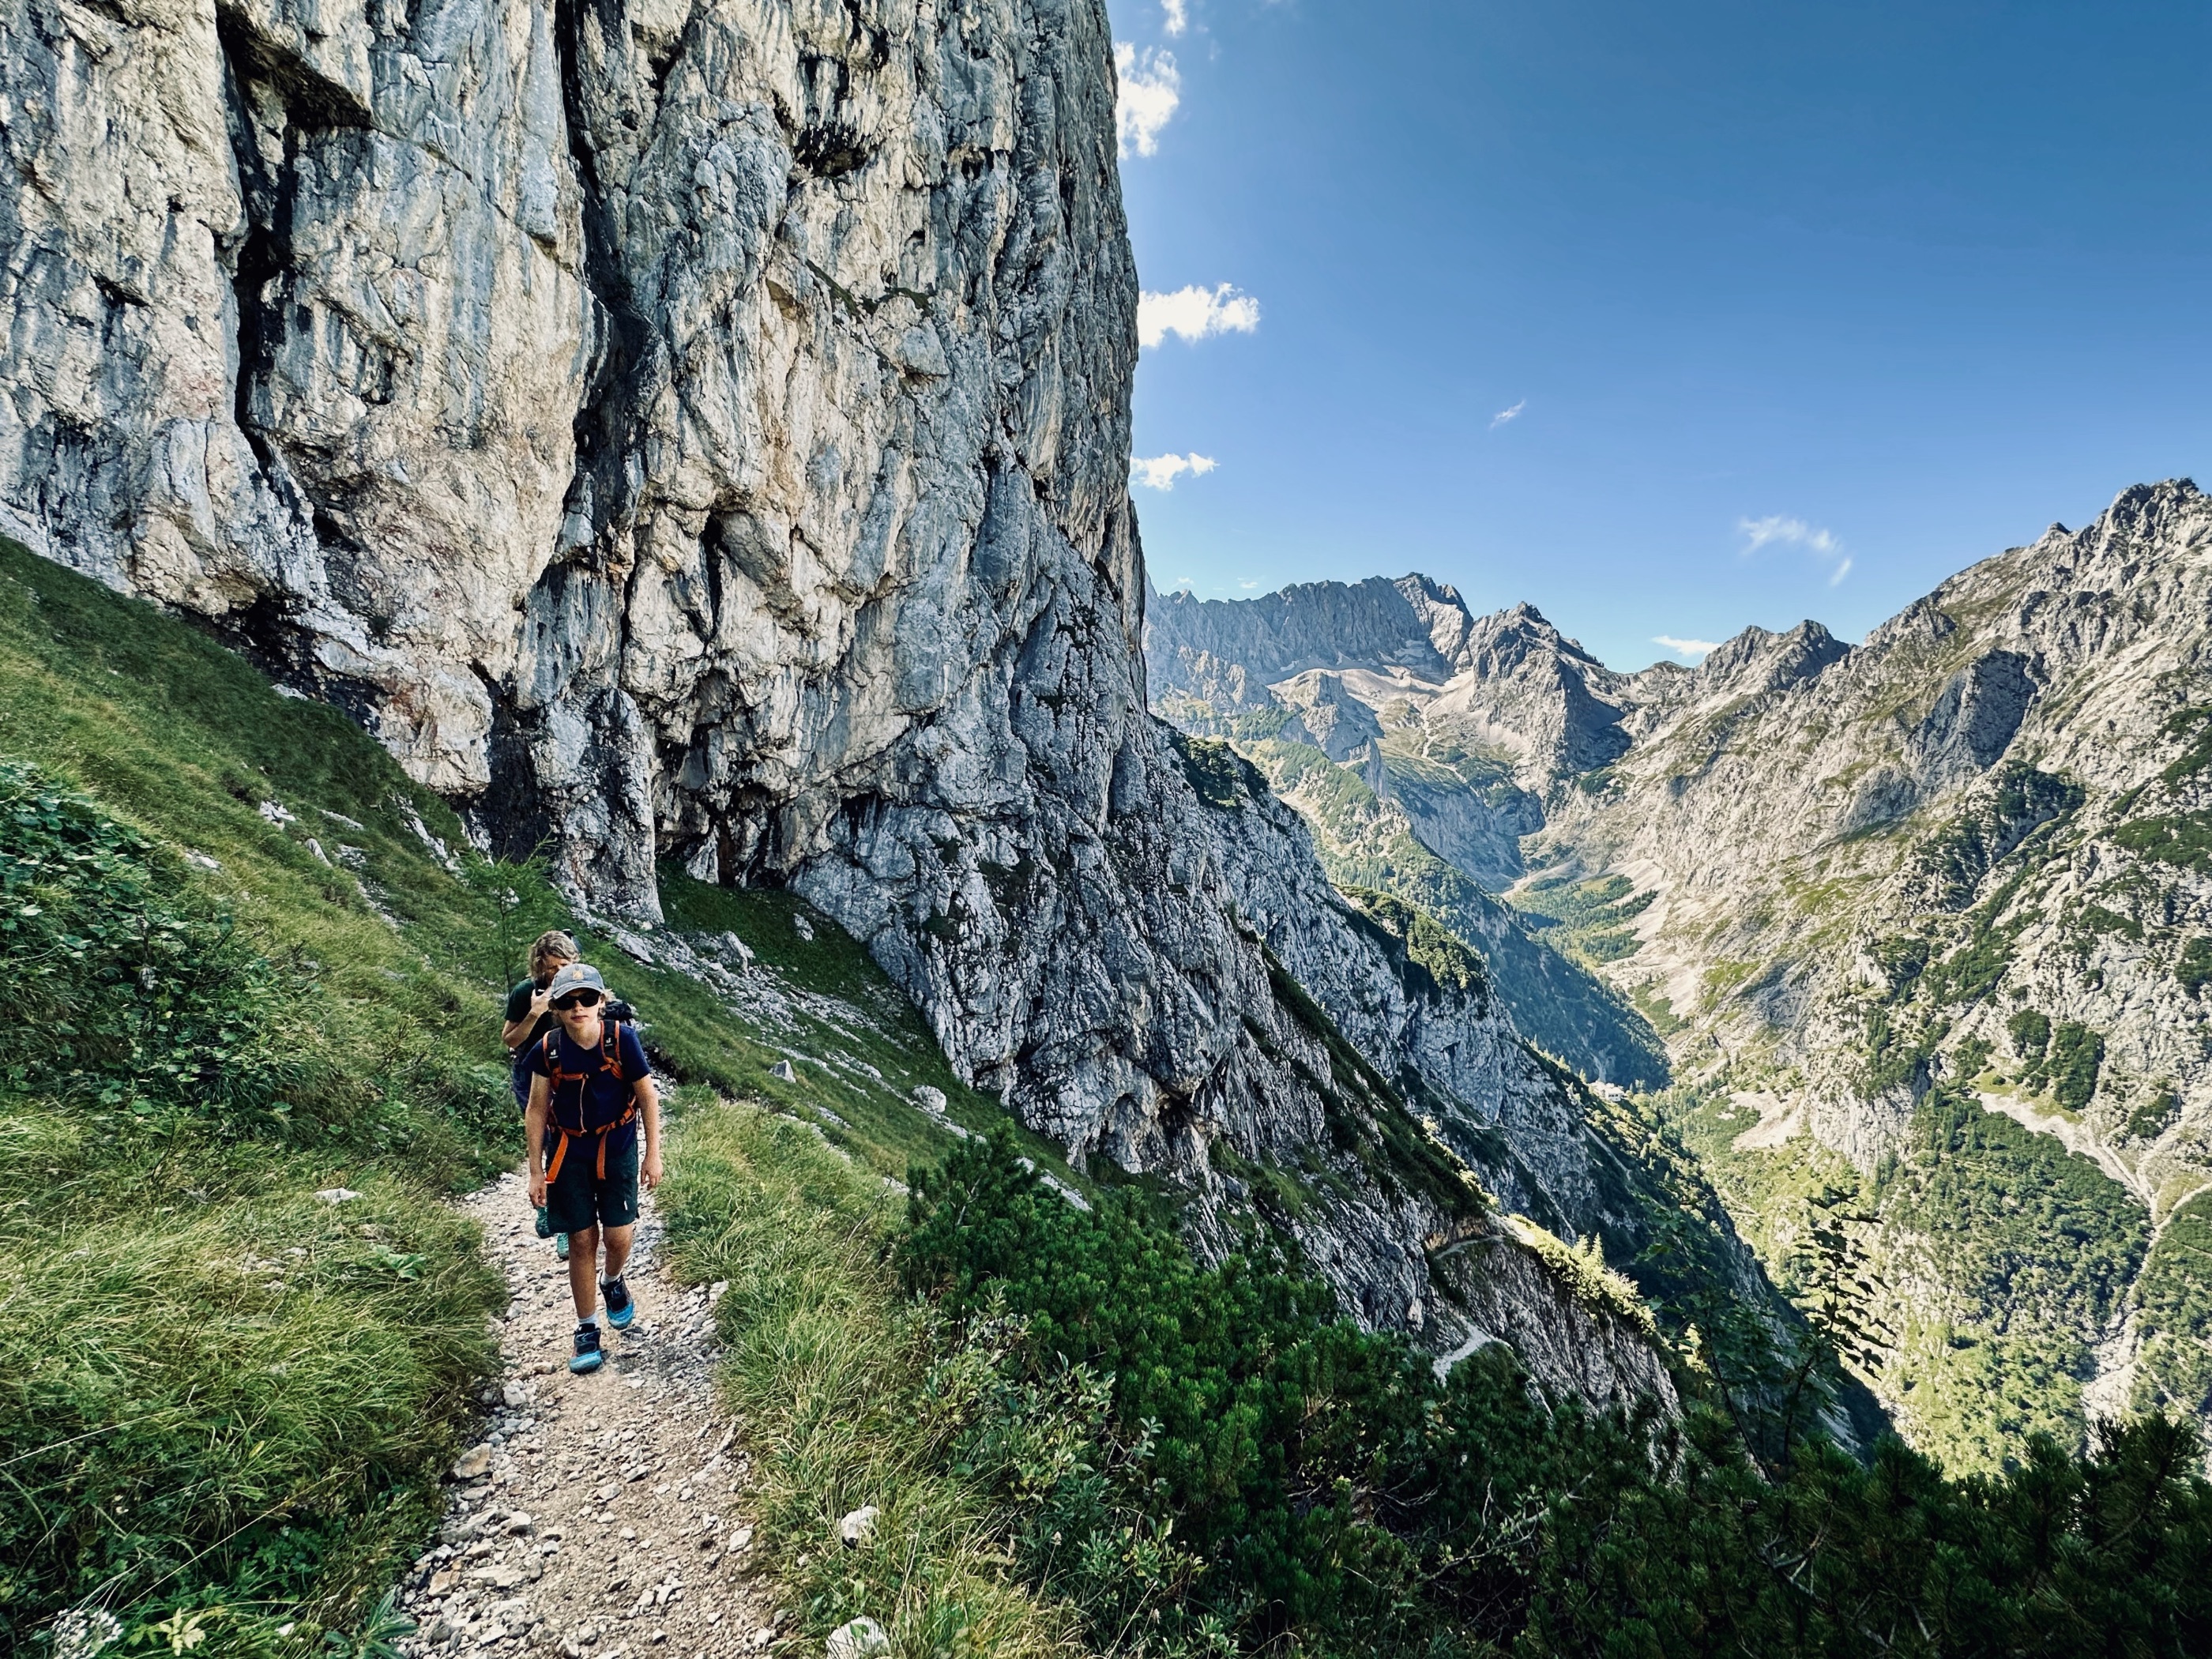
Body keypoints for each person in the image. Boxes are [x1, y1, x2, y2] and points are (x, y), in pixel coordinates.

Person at [523, 962, 664, 1375]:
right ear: (557, 1009)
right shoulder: (547, 1050)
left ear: (602, 1002)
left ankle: (613, 1281)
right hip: (569, 1153)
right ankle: (586, 1328)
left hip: (617, 1147)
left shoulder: (623, 1041)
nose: (578, 1007)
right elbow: (535, 1110)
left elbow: (648, 1100)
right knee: (581, 1241)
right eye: (568, 1001)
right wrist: (536, 1171)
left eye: (587, 999)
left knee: (618, 1236)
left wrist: (652, 1153)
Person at [504, 931, 580, 1259]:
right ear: (540, 966)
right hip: (530, 1072)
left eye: (568, 965)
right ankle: (556, 1219)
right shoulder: (525, 992)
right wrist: (535, 1012)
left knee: (569, 1141)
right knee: (548, 1140)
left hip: (569, 1069)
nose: (561, 972)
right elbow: (509, 1039)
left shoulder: (577, 987)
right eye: (554, 967)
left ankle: (566, 1213)